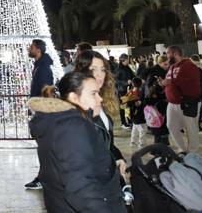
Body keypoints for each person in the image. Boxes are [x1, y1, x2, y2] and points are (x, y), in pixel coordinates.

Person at [29, 72, 126, 213]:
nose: (100, 99)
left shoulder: (60, 122)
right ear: (74, 97)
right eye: (94, 94)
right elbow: (80, 187)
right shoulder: (73, 127)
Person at [74, 51, 127, 180]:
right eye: (93, 69)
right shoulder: (79, 105)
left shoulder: (100, 100)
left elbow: (107, 142)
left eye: (103, 70)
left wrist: (118, 158)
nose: (99, 75)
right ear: (82, 71)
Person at [159, 45, 201, 153]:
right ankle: (182, 149)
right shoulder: (172, 66)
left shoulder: (189, 65)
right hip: (172, 102)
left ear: (175, 54)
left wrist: (170, 81)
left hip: (185, 102)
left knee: (191, 129)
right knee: (171, 126)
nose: (166, 55)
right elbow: (169, 80)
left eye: (168, 53)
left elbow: (191, 83)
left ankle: (192, 151)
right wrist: (163, 83)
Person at [25, 39, 55, 190]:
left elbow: (47, 90)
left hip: (44, 113)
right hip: (41, 110)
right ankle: (44, 177)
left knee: (45, 148)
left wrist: (41, 109)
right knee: (45, 148)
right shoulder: (39, 66)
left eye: (31, 47)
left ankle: (43, 178)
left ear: (38, 50)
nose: (29, 49)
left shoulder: (42, 68)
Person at [115, 54, 134, 129]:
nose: (128, 61)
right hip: (121, 91)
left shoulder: (127, 68)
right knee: (122, 107)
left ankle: (129, 121)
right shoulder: (118, 69)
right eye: (127, 59)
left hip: (128, 90)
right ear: (123, 60)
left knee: (128, 106)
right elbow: (116, 80)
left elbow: (132, 75)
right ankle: (123, 123)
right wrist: (126, 82)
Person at [127, 77, 146, 147]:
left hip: (133, 114)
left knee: (135, 128)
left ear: (132, 84)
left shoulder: (130, 92)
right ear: (141, 84)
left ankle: (133, 141)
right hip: (138, 114)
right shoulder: (140, 93)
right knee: (142, 129)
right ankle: (141, 143)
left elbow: (127, 103)